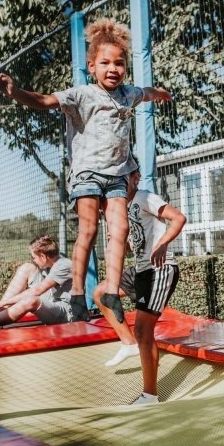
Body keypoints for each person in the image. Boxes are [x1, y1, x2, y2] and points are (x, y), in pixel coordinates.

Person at [0, 18, 172, 323]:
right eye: (105, 63)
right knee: (88, 229)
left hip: (118, 173)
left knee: (121, 230)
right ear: (92, 66)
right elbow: (45, 101)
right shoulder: (82, 94)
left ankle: (112, 291)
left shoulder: (129, 94)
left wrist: (161, 94)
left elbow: (147, 92)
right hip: (87, 172)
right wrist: (15, 92)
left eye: (119, 64)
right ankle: (77, 293)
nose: (113, 69)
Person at [93, 168, 186, 405]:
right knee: (101, 293)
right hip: (141, 270)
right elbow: (126, 245)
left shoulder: (145, 197)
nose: (118, 183)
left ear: (135, 178)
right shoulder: (119, 208)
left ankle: (150, 395)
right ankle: (129, 344)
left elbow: (178, 218)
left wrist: (163, 244)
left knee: (144, 331)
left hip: (159, 268)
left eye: (123, 177)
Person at [0, 235, 73, 331]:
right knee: (27, 267)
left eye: (34, 257)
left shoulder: (63, 265)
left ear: (43, 256)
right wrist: (2, 305)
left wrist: (2, 302)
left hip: (65, 313)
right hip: (52, 300)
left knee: (31, 300)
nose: (34, 260)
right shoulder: (50, 265)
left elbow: (37, 291)